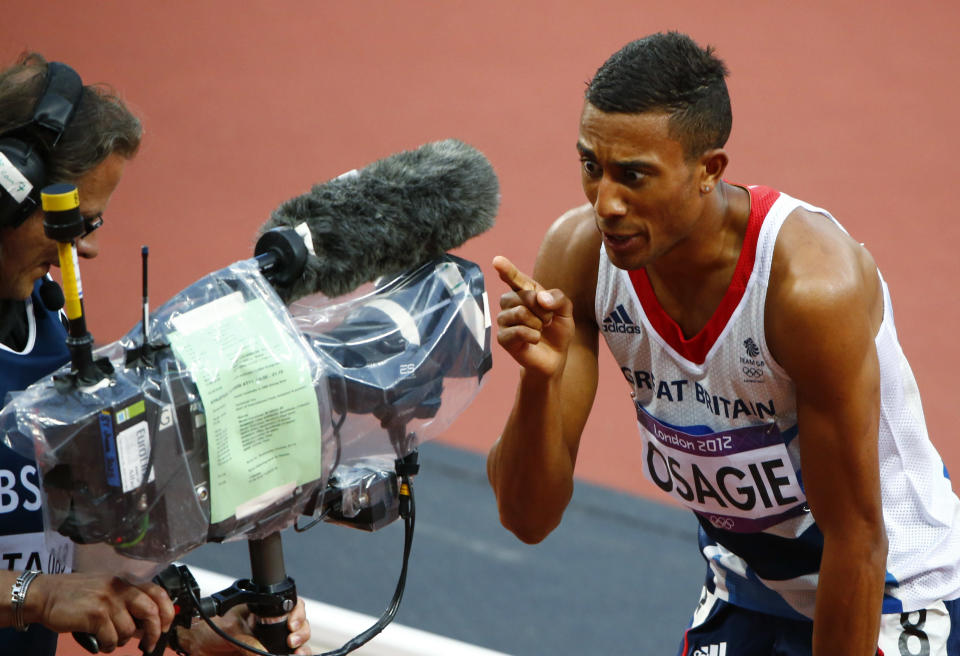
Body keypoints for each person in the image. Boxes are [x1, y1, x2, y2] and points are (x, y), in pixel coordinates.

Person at [487, 32, 960, 656]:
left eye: (634, 176)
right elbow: (528, 519)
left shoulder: (809, 288)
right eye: (590, 167)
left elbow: (856, 540)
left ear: (709, 170)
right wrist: (538, 382)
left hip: (893, 594)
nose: (606, 204)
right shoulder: (579, 257)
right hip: (748, 588)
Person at [0, 53, 311, 655]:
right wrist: (37, 597)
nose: (84, 250)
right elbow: (47, 587)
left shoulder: (53, 326)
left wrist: (186, 621)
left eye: (94, 224)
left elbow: (83, 530)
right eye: (69, 224)